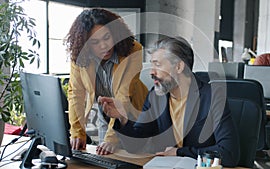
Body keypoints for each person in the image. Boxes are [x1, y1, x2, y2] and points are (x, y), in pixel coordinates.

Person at [98, 36, 240, 167]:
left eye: (157, 65)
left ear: (178, 67)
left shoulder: (213, 96)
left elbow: (229, 153)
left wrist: (180, 152)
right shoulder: (155, 96)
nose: (151, 72)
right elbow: (136, 145)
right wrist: (122, 118)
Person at [65, 8, 148, 154]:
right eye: (95, 42)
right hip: (105, 114)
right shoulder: (80, 56)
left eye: (107, 37)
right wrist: (77, 132)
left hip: (134, 114)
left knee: (135, 157)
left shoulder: (133, 50)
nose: (104, 46)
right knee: (106, 157)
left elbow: (123, 96)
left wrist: (111, 138)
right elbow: (75, 94)